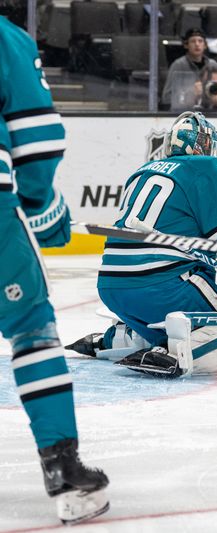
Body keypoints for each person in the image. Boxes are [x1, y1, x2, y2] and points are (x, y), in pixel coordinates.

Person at [66, 112, 217, 377]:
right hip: (163, 287)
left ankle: (124, 337)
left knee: (175, 299)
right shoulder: (211, 169)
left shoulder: (142, 172)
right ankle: (175, 344)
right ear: (206, 146)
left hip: (112, 288)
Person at [0, 15, 109, 525]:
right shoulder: (5, 38)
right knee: (32, 332)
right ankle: (62, 467)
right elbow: (37, 145)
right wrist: (43, 212)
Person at [161, 28, 217, 111]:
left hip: (209, 113)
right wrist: (190, 94)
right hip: (184, 113)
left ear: (205, 45)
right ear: (186, 45)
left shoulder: (213, 65)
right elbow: (166, 98)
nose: (197, 44)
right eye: (193, 41)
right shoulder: (178, 65)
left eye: (200, 41)